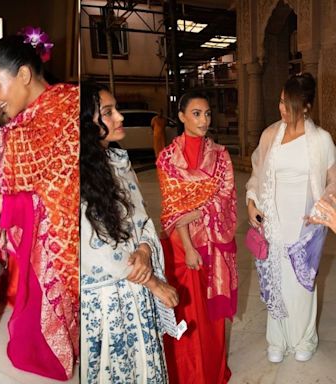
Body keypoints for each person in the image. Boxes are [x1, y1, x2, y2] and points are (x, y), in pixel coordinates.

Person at [0, 29, 79, 381]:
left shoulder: (69, 110)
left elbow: (66, 190)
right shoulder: (16, 127)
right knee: (23, 333)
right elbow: (10, 185)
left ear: (24, 75)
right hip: (28, 239)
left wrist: (3, 205)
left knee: (42, 345)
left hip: (57, 245)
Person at [80, 82, 179, 383]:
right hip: (106, 302)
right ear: (85, 123)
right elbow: (93, 247)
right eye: (108, 113)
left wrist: (147, 249)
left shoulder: (118, 162)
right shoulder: (73, 175)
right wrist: (152, 282)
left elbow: (142, 218)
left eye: (116, 109)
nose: (120, 117)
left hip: (135, 290)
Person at [246, 72, 336, 363]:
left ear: (306, 106)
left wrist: (321, 214)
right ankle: (278, 338)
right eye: (281, 102)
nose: (282, 109)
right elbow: (257, 175)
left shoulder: (322, 141)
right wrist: (251, 202)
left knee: (302, 284)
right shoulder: (271, 134)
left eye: (289, 104)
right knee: (276, 281)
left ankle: (304, 338)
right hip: (273, 222)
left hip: (305, 226)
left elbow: (334, 183)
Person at [157, 91, 237, 384]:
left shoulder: (221, 155)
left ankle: (212, 369)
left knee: (212, 313)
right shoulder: (167, 159)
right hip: (183, 247)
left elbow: (226, 194)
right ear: (181, 117)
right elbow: (172, 207)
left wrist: (197, 210)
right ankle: (189, 372)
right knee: (188, 311)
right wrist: (189, 246)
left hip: (214, 245)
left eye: (207, 114)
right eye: (196, 113)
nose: (204, 120)